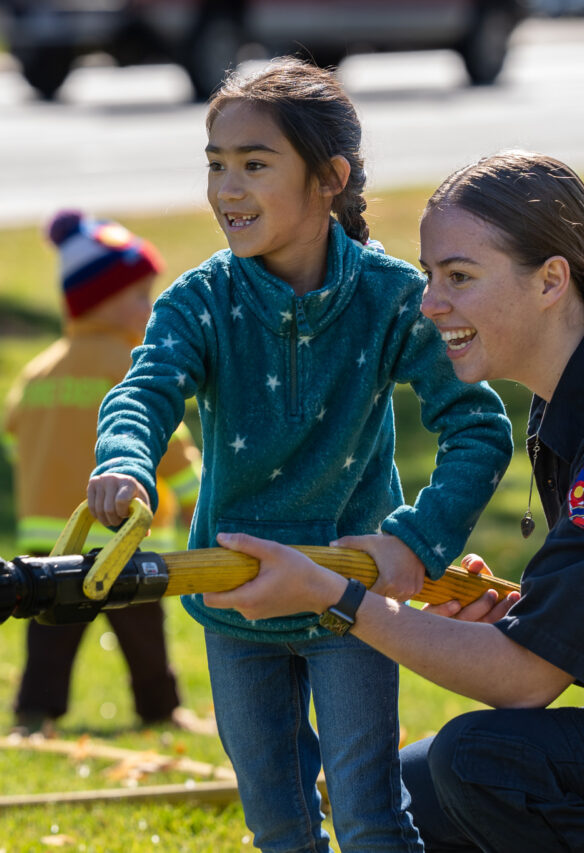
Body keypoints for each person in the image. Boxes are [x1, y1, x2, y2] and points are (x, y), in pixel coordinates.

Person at [206, 150, 584, 851]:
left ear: (551, 281)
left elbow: (526, 680)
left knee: (482, 760)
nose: (430, 303)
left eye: (460, 277)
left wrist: (333, 597)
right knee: (406, 784)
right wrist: (521, 620)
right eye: (429, 275)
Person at [87, 59, 513, 852]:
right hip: (234, 604)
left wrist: (414, 545)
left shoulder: (391, 298)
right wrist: (125, 459)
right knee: (279, 823)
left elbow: (479, 428)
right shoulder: (200, 301)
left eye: (254, 164)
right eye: (215, 165)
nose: (227, 189)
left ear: (329, 179)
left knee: (371, 816)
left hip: (347, 608)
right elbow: (144, 390)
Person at [3, 210, 207, 738]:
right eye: (140, 296)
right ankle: (161, 710)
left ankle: (34, 716)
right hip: (125, 538)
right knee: (143, 633)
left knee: (50, 631)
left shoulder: (38, 372)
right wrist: (199, 498)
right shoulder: (130, 367)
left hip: (49, 538)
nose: (150, 306)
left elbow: (12, 438)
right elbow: (169, 446)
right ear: (100, 301)